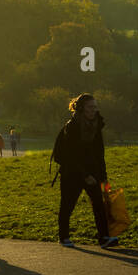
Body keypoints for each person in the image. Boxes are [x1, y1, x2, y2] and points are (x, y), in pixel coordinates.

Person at [53, 94, 118, 248]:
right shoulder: (72, 126)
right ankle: (64, 237)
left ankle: (104, 238)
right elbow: (70, 155)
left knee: (99, 205)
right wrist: (85, 175)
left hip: (93, 172)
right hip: (72, 173)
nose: (93, 110)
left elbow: (99, 152)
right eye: (90, 107)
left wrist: (103, 176)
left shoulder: (97, 125)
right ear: (81, 108)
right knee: (67, 205)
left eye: (95, 107)